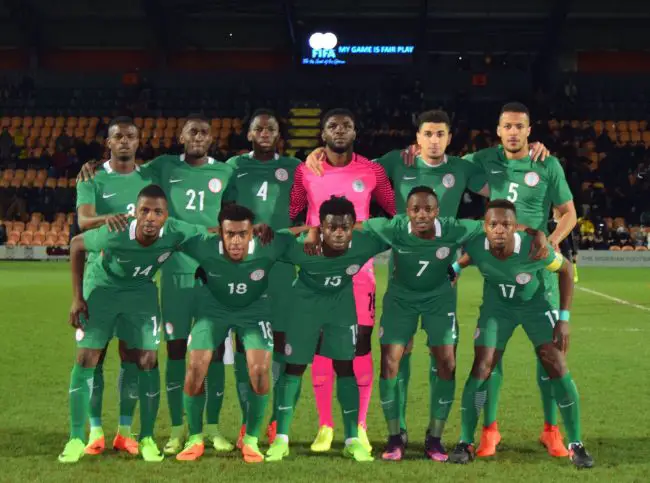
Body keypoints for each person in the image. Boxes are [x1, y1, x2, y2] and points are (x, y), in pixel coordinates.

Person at [304, 109, 550, 444]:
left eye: (440, 134)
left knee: (442, 356)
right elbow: (349, 165)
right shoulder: (396, 161)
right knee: (398, 354)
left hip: (443, 279)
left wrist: (529, 152)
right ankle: (399, 432)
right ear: (417, 138)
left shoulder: (462, 168)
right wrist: (319, 153)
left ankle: (435, 434)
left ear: (449, 138)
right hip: (402, 276)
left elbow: (504, 185)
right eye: (428, 134)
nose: (434, 141)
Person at [79, 114, 236, 454]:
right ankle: (177, 429)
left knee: (214, 352)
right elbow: (122, 167)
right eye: (192, 131)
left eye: (204, 132)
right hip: (171, 273)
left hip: (213, 273)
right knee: (172, 351)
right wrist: (93, 164)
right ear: (181, 136)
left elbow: (232, 216)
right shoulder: (162, 166)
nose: (198, 137)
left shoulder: (226, 172)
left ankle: (212, 428)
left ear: (212, 138)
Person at [460, 102, 577, 458]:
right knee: (490, 358)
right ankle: (489, 431)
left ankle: (551, 430)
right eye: (507, 126)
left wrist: (550, 243)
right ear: (498, 131)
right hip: (500, 271)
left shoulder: (547, 164)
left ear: (529, 130)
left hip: (539, 278)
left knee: (549, 358)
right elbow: (445, 166)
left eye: (519, 126)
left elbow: (569, 213)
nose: (513, 132)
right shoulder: (484, 160)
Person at [58, 185, 204, 463]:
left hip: (140, 293)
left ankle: (145, 437)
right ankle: (76, 438)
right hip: (103, 289)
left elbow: (210, 233)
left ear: (166, 216)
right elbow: (77, 244)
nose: (150, 217)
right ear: (135, 212)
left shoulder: (175, 231)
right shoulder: (116, 232)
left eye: (157, 212)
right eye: (144, 211)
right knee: (87, 357)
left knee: (148, 360)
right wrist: (77, 298)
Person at [447, 199, 593, 469]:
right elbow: (470, 257)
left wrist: (563, 319)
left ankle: (576, 444)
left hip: (534, 305)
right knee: (482, 366)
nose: (499, 230)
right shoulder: (477, 244)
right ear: (485, 227)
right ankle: (465, 441)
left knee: (556, 363)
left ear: (516, 227)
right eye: (493, 224)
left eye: (506, 225)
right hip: (497, 308)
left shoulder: (534, 248)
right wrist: (455, 268)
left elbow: (566, 269)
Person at [289, 109, 396, 452]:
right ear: (322, 134)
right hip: (317, 271)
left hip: (359, 272)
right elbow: (291, 211)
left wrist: (367, 230)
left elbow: (396, 212)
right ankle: (325, 425)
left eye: (346, 125)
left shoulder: (373, 170)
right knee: (321, 343)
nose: (339, 131)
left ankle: (360, 425)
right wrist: (308, 232)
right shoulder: (306, 170)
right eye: (332, 126)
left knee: (360, 343)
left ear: (355, 131)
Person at [172, 204, 304, 463]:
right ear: (219, 232)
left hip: (254, 310)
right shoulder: (204, 244)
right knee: (195, 367)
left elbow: (298, 233)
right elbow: (170, 233)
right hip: (213, 309)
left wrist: (315, 233)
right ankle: (195, 438)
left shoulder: (267, 244)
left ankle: (251, 440)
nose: (235, 241)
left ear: (252, 233)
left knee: (260, 370)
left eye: (242, 234)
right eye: (229, 234)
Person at [266, 196, 389, 462]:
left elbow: (395, 228)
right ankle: (281, 440)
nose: (339, 233)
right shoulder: (303, 247)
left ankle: (352, 440)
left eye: (345, 227)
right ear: (321, 226)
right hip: (304, 307)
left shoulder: (365, 243)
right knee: (294, 368)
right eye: (331, 227)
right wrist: (306, 230)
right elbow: (274, 238)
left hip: (341, 306)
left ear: (354, 226)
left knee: (345, 367)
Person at [224, 109, 301, 445]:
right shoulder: (234, 167)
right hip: (243, 267)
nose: (266, 133)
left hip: (282, 268)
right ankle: (247, 421)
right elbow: (219, 209)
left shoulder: (296, 168)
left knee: (283, 344)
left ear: (279, 134)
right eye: (259, 128)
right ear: (250, 134)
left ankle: (275, 421)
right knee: (245, 344)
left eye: (272, 128)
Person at [75, 116, 151, 456]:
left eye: (130, 136)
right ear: (108, 142)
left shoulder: (149, 178)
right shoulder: (92, 177)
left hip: (137, 279)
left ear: (138, 142)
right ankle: (95, 431)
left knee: (131, 356)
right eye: (118, 136)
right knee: (94, 355)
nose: (124, 141)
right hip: (99, 277)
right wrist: (111, 219)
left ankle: (124, 431)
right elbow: (83, 221)